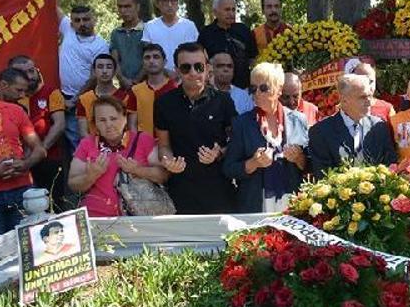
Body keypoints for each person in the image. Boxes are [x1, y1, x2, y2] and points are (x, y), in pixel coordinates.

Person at [155, 42, 237, 214]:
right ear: (177, 71)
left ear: (208, 69)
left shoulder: (223, 101)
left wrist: (219, 153)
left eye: (198, 67)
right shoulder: (164, 103)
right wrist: (168, 162)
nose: (193, 73)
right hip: (180, 190)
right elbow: (163, 145)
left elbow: (236, 142)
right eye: (186, 68)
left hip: (219, 190)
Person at [223, 63, 308, 213]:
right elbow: (229, 168)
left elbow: (310, 165)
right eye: (253, 89)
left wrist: (298, 158)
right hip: (257, 205)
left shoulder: (298, 120)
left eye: (263, 88)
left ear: (279, 90)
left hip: (293, 203)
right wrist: (254, 163)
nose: (257, 93)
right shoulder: (242, 123)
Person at [67, 96, 168, 217]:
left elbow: (163, 175)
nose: (108, 124)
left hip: (139, 218)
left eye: (113, 119)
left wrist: (138, 170)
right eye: (102, 120)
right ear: (95, 124)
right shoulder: (87, 144)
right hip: (96, 216)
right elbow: (73, 184)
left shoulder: (143, 139)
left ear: (125, 119)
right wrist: (91, 176)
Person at [309, 74, 397, 180]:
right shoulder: (321, 132)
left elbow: (390, 165)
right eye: (363, 97)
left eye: (370, 96)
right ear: (344, 100)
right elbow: (323, 175)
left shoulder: (379, 127)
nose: (369, 102)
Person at [8, 55, 66, 210]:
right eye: (24, 72)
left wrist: (40, 151)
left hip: (49, 159)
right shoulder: (8, 98)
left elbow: (59, 125)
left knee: (53, 205)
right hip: (17, 164)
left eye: (32, 70)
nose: (31, 75)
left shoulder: (51, 92)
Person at [0, 68, 46, 234]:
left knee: (28, 246)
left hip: (22, 190)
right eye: (19, 90)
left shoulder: (16, 111)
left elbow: (39, 149)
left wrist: (25, 164)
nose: (22, 95)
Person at [58, 5, 110, 153]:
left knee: (79, 139)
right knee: (63, 143)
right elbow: (54, 7)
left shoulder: (100, 45)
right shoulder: (68, 30)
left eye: (86, 19)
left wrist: (75, 99)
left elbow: (96, 76)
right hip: (60, 95)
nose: (82, 23)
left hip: (82, 98)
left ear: (94, 20)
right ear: (71, 23)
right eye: (77, 20)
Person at [198, 0, 258, 89]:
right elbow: (201, 61)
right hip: (216, 89)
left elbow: (253, 58)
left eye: (233, 10)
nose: (231, 13)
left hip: (243, 87)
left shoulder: (243, 30)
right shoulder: (206, 33)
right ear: (215, 12)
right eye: (227, 10)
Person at [76, 54, 137, 138]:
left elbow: (131, 128)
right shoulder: (84, 99)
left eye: (109, 67)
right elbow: (83, 132)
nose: (104, 71)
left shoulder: (126, 98)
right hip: (93, 147)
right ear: (94, 71)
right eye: (100, 67)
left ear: (115, 71)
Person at [141, 0, 199, 71]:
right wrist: (166, 72)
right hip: (159, 77)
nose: (170, 4)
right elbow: (149, 56)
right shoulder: (150, 26)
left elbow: (194, 54)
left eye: (173, 0)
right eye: (165, 0)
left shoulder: (189, 26)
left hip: (184, 75)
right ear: (157, 3)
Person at [127, 44, 178, 135]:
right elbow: (132, 124)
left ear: (164, 62)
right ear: (142, 63)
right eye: (147, 58)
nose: (151, 61)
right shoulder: (136, 90)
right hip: (144, 145)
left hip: (171, 145)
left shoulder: (175, 88)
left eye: (156, 57)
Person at [110, 0, 145, 83]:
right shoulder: (116, 33)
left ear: (137, 7)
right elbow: (115, 61)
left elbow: (150, 59)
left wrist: (136, 80)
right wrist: (122, 79)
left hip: (146, 85)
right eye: (120, 6)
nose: (123, 10)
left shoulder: (147, 30)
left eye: (128, 6)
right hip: (124, 85)